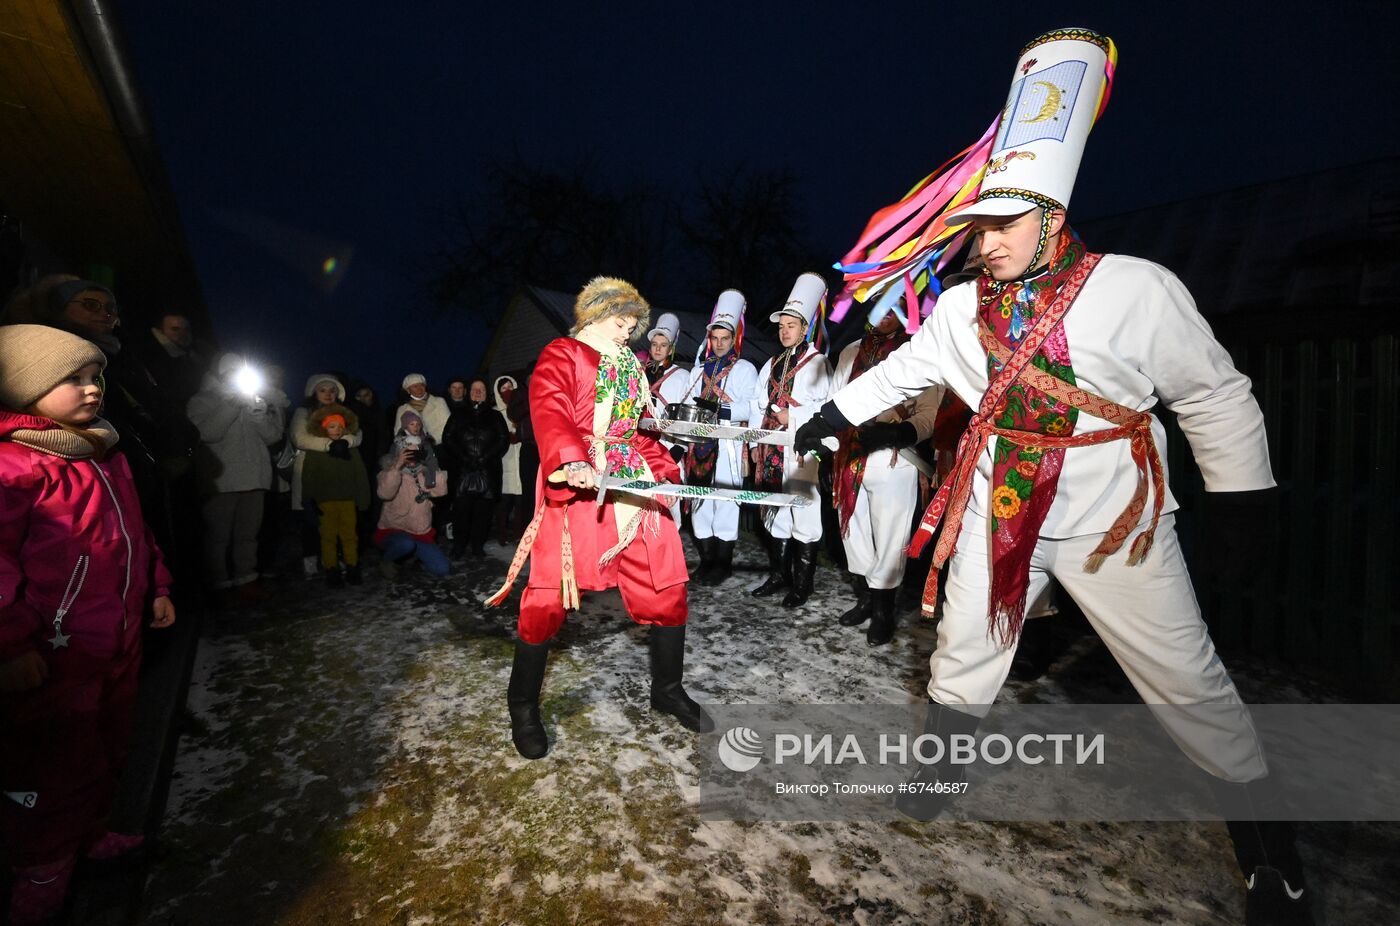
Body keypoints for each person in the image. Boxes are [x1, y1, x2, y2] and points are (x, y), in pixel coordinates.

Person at [797, 28, 1310, 924]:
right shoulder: (959, 310)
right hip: (1001, 511)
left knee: (1188, 684)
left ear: (1051, 218)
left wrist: (1243, 500)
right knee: (964, 646)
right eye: (976, 227)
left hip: (1120, 527)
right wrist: (829, 415)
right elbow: (900, 372)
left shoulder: (1136, 288)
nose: (982, 244)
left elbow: (1217, 395)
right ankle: (942, 770)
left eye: (1001, 226)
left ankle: (1273, 856)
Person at [486, 277, 713, 760]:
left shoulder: (631, 366)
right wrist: (571, 459)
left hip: (632, 483)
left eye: (632, 325)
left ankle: (667, 689)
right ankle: (523, 705)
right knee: (548, 593)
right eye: (619, 322)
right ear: (593, 315)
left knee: (668, 579)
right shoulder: (564, 353)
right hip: (580, 482)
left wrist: (665, 471)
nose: (626, 333)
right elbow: (550, 409)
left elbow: (635, 431)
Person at [0, 325, 176, 925]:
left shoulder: (105, 453)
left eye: (94, 376)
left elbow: (134, 532)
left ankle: (91, 835)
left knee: (106, 744)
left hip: (115, 637)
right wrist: (10, 643)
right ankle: (40, 871)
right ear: (25, 389)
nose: (91, 389)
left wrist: (156, 586)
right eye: (70, 378)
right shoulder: (15, 467)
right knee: (50, 762)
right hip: (55, 651)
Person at [829, 309, 944, 645]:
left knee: (891, 537)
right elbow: (832, 401)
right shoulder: (851, 351)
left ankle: (883, 611)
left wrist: (899, 433)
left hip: (896, 459)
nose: (885, 315)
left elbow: (929, 412)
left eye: (895, 308)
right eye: (881, 305)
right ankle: (866, 597)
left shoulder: (919, 351)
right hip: (849, 457)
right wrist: (828, 452)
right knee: (854, 533)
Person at [750, 273, 833, 607]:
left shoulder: (819, 363)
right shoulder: (771, 363)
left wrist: (793, 417)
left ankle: (803, 585)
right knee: (778, 512)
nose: (784, 331)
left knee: (804, 512)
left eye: (791, 325)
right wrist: (756, 444)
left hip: (802, 448)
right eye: (781, 325)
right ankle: (779, 575)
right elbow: (758, 404)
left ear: (805, 329)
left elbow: (828, 406)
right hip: (771, 446)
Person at [186, 352, 286, 603]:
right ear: (219, 374)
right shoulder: (203, 400)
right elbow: (207, 433)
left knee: (248, 534)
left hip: (254, 476)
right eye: (229, 373)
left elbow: (273, 436)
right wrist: (231, 404)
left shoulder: (258, 399)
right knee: (218, 535)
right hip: (221, 479)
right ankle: (219, 582)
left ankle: (246, 578)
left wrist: (258, 414)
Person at [680, 291, 758, 585]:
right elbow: (688, 402)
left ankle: (723, 564)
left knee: (725, 504)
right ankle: (706, 560)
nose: (720, 343)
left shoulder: (744, 369)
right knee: (700, 504)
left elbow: (751, 407)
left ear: (734, 338)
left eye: (726, 338)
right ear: (709, 339)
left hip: (727, 445)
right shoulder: (698, 370)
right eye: (716, 338)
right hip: (699, 444)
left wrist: (719, 407)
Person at [290, 374, 363, 578]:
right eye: (323, 390)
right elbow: (299, 438)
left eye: (332, 390)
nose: (328, 394)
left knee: (340, 520)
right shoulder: (303, 412)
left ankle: (336, 559)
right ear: (314, 392)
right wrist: (329, 445)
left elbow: (357, 433)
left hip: (338, 472)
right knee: (312, 518)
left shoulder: (344, 413)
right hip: (310, 469)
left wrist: (345, 442)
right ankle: (311, 560)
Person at [301, 404, 370, 587]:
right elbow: (308, 477)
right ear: (324, 427)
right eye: (332, 426)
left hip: (347, 501)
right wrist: (309, 500)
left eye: (340, 426)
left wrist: (363, 501)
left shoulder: (351, 450)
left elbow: (360, 475)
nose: (336, 430)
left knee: (349, 536)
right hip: (324, 502)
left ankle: (352, 568)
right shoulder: (316, 452)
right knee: (328, 538)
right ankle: (332, 571)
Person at [441, 378, 509, 557]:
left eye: (481, 389)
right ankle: (459, 545)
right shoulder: (458, 414)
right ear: (469, 393)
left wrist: (484, 458)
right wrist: (464, 458)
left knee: (483, 513)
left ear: (487, 394)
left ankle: (478, 546)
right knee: (461, 512)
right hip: (463, 471)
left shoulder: (495, 416)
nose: (478, 392)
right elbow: (447, 438)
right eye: (474, 389)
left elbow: (503, 440)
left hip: (487, 471)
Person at [375, 437, 450, 579]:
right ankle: (387, 560)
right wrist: (397, 466)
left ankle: (413, 554)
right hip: (394, 531)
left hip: (419, 533)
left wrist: (431, 463)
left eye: (416, 452)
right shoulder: (388, 472)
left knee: (442, 569)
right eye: (408, 453)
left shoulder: (424, 472)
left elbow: (441, 491)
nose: (412, 456)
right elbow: (385, 493)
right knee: (405, 544)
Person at [642, 312, 690, 524]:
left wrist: (678, 451)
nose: (658, 348)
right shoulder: (641, 373)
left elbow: (687, 417)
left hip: (669, 448)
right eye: (654, 344)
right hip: (642, 448)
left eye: (664, 344)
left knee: (670, 512)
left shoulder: (683, 376)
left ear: (671, 348)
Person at [493, 375, 524, 542]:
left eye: (510, 387)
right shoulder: (495, 412)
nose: (507, 391)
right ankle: (501, 534)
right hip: (505, 460)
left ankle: (519, 533)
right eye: (503, 388)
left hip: (521, 457)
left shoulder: (523, 407)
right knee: (504, 501)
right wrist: (506, 438)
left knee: (521, 500)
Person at [393, 373, 450, 443]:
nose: (419, 388)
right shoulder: (402, 409)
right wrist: (411, 443)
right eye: (415, 386)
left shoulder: (439, 402)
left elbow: (447, 425)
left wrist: (432, 441)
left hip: (439, 445)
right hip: (414, 448)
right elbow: (399, 432)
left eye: (422, 385)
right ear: (408, 390)